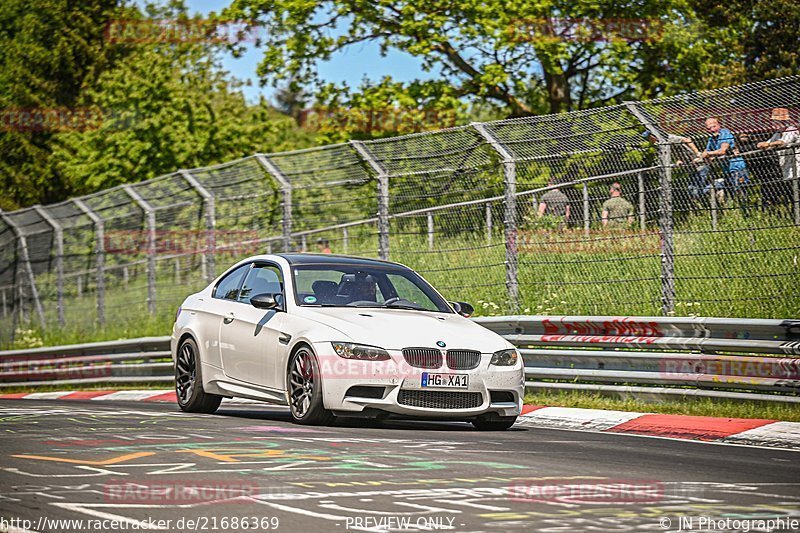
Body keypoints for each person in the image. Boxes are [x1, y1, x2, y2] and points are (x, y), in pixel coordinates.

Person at [695, 117, 749, 207]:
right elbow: (706, 152)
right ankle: (735, 215)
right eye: (709, 128)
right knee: (730, 195)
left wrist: (708, 154)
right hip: (726, 170)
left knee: (740, 192)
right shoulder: (712, 138)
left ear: (719, 125)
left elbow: (722, 150)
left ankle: (746, 213)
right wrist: (704, 156)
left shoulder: (725, 133)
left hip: (737, 168)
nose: (712, 130)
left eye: (714, 126)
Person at [757, 107, 799, 187]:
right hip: (787, 168)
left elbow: (783, 142)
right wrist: (762, 144)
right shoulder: (777, 133)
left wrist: (769, 144)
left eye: (776, 121)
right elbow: (768, 143)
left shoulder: (792, 130)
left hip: (797, 166)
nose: (774, 123)